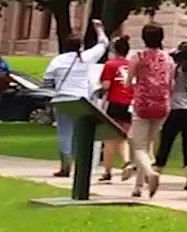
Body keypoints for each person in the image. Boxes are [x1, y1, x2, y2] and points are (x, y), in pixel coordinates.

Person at [42, 19, 108, 177]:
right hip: (81, 100)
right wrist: (99, 29)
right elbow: (104, 43)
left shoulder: (57, 61)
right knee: (82, 132)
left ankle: (65, 165)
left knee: (65, 132)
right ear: (80, 46)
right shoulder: (86, 57)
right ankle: (82, 164)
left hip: (62, 99)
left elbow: (47, 81)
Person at [126, 24, 174, 198]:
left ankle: (150, 173)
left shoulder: (138, 57)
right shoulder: (168, 59)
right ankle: (138, 186)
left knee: (138, 146)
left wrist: (133, 84)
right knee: (148, 144)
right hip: (162, 106)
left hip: (142, 105)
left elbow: (128, 81)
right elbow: (171, 85)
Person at [155, 42, 187, 190]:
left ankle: (156, 174)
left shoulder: (177, 70)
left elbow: (169, 86)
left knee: (166, 142)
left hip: (176, 108)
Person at [98, 36, 135, 183]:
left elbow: (106, 85)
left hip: (115, 102)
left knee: (110, 139)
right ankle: (126, 162)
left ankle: (107, 171)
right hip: (130, 103)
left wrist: (98, 89)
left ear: (114, 50)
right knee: (123, 137)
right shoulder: (132, 64)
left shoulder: (110, 65)